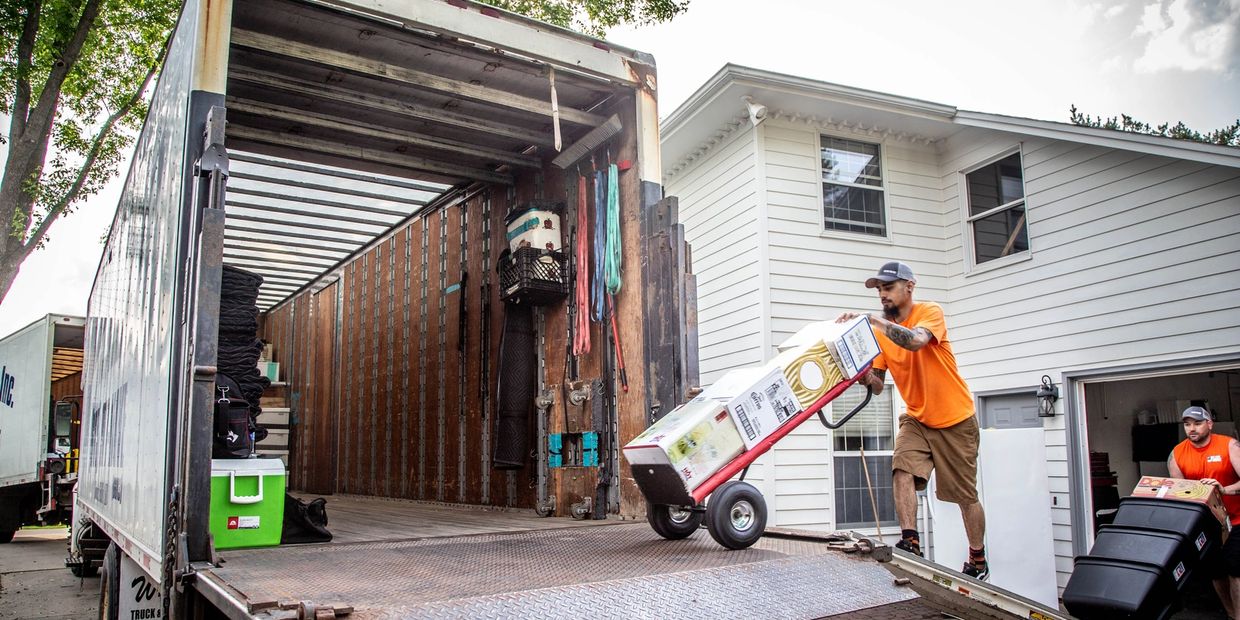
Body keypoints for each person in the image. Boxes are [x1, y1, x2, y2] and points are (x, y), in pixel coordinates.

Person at [837, 261, 988, 580]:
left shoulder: (929, 312)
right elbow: (878, 385)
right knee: (901, 469)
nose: (882, 294)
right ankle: (911, 541)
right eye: (878, 289)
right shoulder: (881, 337)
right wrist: (861, 374)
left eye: (887, 287)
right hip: (917, 418)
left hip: (955, 419)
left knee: (964, 496)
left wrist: (872, 321)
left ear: (909, 287)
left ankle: (977, 557)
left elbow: (915, 341)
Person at [1167, 405, 1240, 619]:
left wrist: (1224, 489)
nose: (1192, 428)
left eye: (1197, 423)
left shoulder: (1229, 446)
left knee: (1236, 571)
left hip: (1235, 519)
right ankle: (1230, 614)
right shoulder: (1177, 453)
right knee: (1216, 574)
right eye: (1188, 424)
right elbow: (1179, 493)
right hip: (1206, 524)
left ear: (1209, 424)